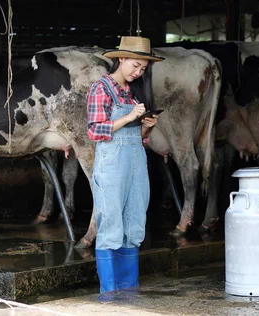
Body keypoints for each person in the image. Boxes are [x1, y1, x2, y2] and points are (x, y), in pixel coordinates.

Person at [86, 36, 164, 294]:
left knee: (134, 223)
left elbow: (137, 136)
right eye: (135, 65)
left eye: (143, 69)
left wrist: (145, 126)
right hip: (111, 163)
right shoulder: (101, 88)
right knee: (110, 222)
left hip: (135, 162)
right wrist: (131, 116)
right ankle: (109, 292)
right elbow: (95, 131)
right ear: (121, 58)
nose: (138, 72)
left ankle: (128, 290)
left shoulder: (134, 92)